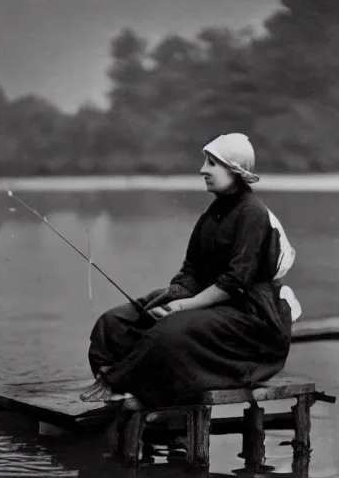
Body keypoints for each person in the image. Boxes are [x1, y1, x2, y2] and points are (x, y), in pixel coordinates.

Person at [80, 133, 301, 409]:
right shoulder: (212, 214)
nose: (202, 170)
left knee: (169, 332)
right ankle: (118, 388)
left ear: (235, 169)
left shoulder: (252, 213)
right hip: (212, 306)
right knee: (116, 321)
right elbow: (192, 269)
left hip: (252, 319)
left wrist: (185, 306)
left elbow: (235, 281)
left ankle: (121, 383)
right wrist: (171, 297)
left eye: (211, 163)